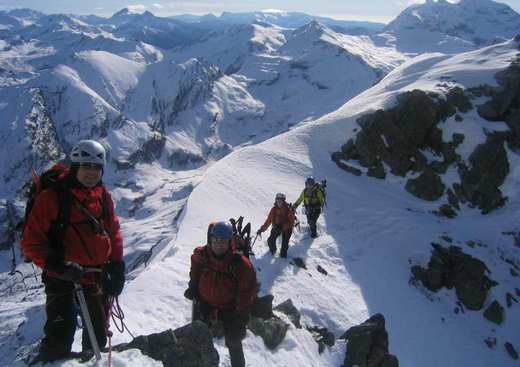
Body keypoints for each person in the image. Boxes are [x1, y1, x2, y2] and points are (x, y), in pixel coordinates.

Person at [22, 140, 125, 363]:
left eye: (96, 168)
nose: (91, 173)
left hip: (95, 276)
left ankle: (92, 361)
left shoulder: (102, 197)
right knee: (59, 335)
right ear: (75, 166)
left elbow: (113, 231)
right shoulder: (51, 199)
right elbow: (31, 243)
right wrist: (58, 266)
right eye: (86, 166)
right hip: (61, 277)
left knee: (97, 334)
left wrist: (117, 265)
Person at [185, 221, 257, 367]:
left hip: (229, 309)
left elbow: (246, 292)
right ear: (210, 240)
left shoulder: (241, 264)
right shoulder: (202, 255)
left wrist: (241, 317)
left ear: (230, 242)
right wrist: (193, 285)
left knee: (234, 342)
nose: (219, 244)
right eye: (215, 240)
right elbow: (196, 267)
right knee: (197, 338)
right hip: (204, 302)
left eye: (223, 241)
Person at [256, 193, 295, 258]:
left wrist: (283, 227)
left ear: (283, 201)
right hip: (277, 226)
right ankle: (273, 251)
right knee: (271, 240)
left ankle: (283, 254)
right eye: (278, 200)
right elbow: (268, 221)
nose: (279, 202)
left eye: (280, 200)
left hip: (287, 228)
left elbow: (291, 222)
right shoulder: (274, 209)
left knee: (284, 246)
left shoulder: (288, 209)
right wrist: (261, 229)